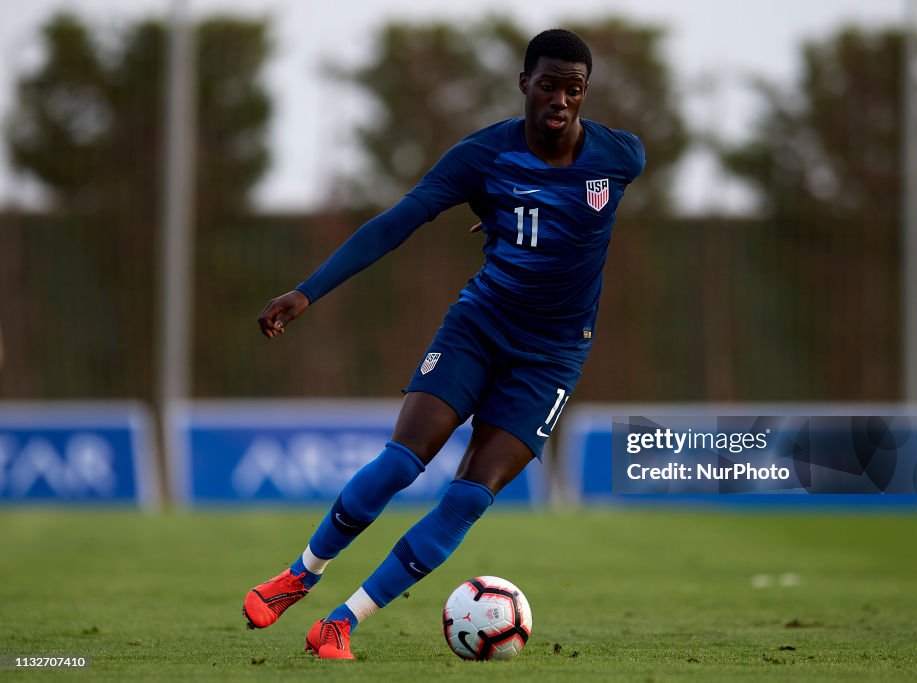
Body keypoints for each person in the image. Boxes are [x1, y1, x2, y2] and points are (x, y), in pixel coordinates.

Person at [242, 28, 645, 660]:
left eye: (574, 89)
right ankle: (300, 575)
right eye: (548, 85)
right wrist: (307, 292)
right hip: (478, 330)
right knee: (403, 462)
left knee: (466, 498)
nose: (561, 100)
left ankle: (341, 623)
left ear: (585, 93)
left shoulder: (620, 158)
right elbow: (396, 223)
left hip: (553, 359)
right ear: (524, 84)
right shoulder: (483, 156)